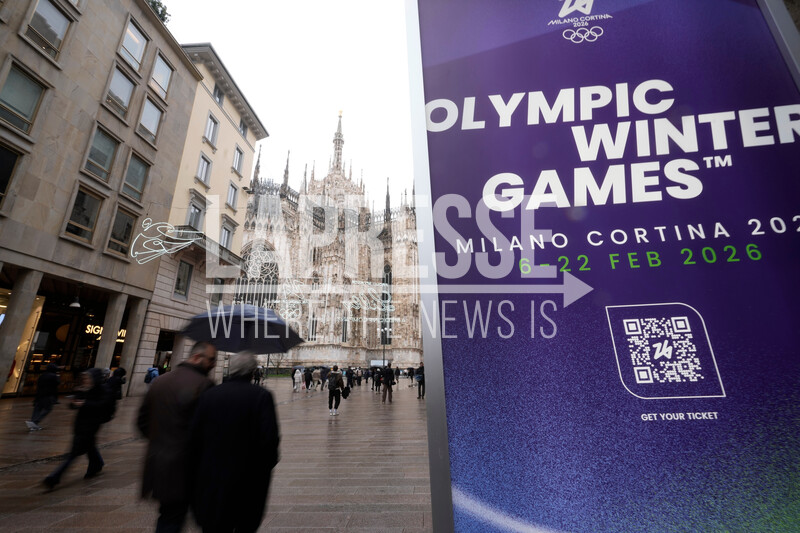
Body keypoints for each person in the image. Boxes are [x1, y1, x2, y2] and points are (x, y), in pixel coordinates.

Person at [189, 353, 279, 533]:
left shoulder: (209, 395)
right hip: (249, 481)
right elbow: (270, 440)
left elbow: (194, 438)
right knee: (245, 525)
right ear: (253, 372)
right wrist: (263, 471)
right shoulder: (262, 396)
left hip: (213, 479)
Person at [137, 341, 217, 533]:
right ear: (196, 357)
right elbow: (210, 429)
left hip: (160, 464)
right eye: (211, 360)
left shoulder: (160, 382)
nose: (213, 364)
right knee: (207, 519)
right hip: (191, 467)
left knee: (169, 517)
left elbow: (142, 422)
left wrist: (164, 441)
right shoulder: (204, 385)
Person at [44, 368, 111, 488]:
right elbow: (73, 405)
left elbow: (102, 405)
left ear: (94, 378)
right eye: (85, 378)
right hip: (80, 424)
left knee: (74, 453)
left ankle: (54, 477)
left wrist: (84, 403)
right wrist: (74, 402)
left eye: (88, 378)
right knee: (90, 446)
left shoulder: (103, 390)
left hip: (91, 425)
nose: (85, 380)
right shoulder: (84, 389)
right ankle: (97, 463)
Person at [27, 363, 60, 431]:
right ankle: (35, 422)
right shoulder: (54, 376)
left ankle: (32, 424)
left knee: (37, 409)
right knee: (47, 409)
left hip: (39, 395)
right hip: (48, 395)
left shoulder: (42, 375)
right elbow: (57, 383)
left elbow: (38, 385)